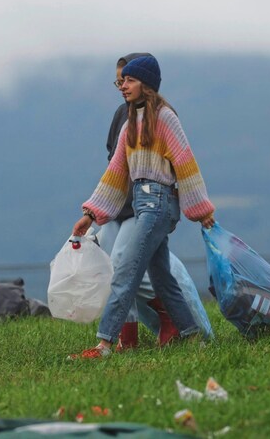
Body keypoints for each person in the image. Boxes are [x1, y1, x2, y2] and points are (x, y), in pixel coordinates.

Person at [69, 54, 216, 359]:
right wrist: (90, 215)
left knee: (124, 271)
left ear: (146, 84)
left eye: (130, 80)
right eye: (122, 81)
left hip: (159, 205)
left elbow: (186, 164)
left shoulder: (165, 118)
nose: (123, 86)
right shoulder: (130, 124)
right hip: (141, 202)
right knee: (162, 277)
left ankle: (105, 344)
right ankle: (192, 338)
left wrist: (201, 212)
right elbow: (115, 175)